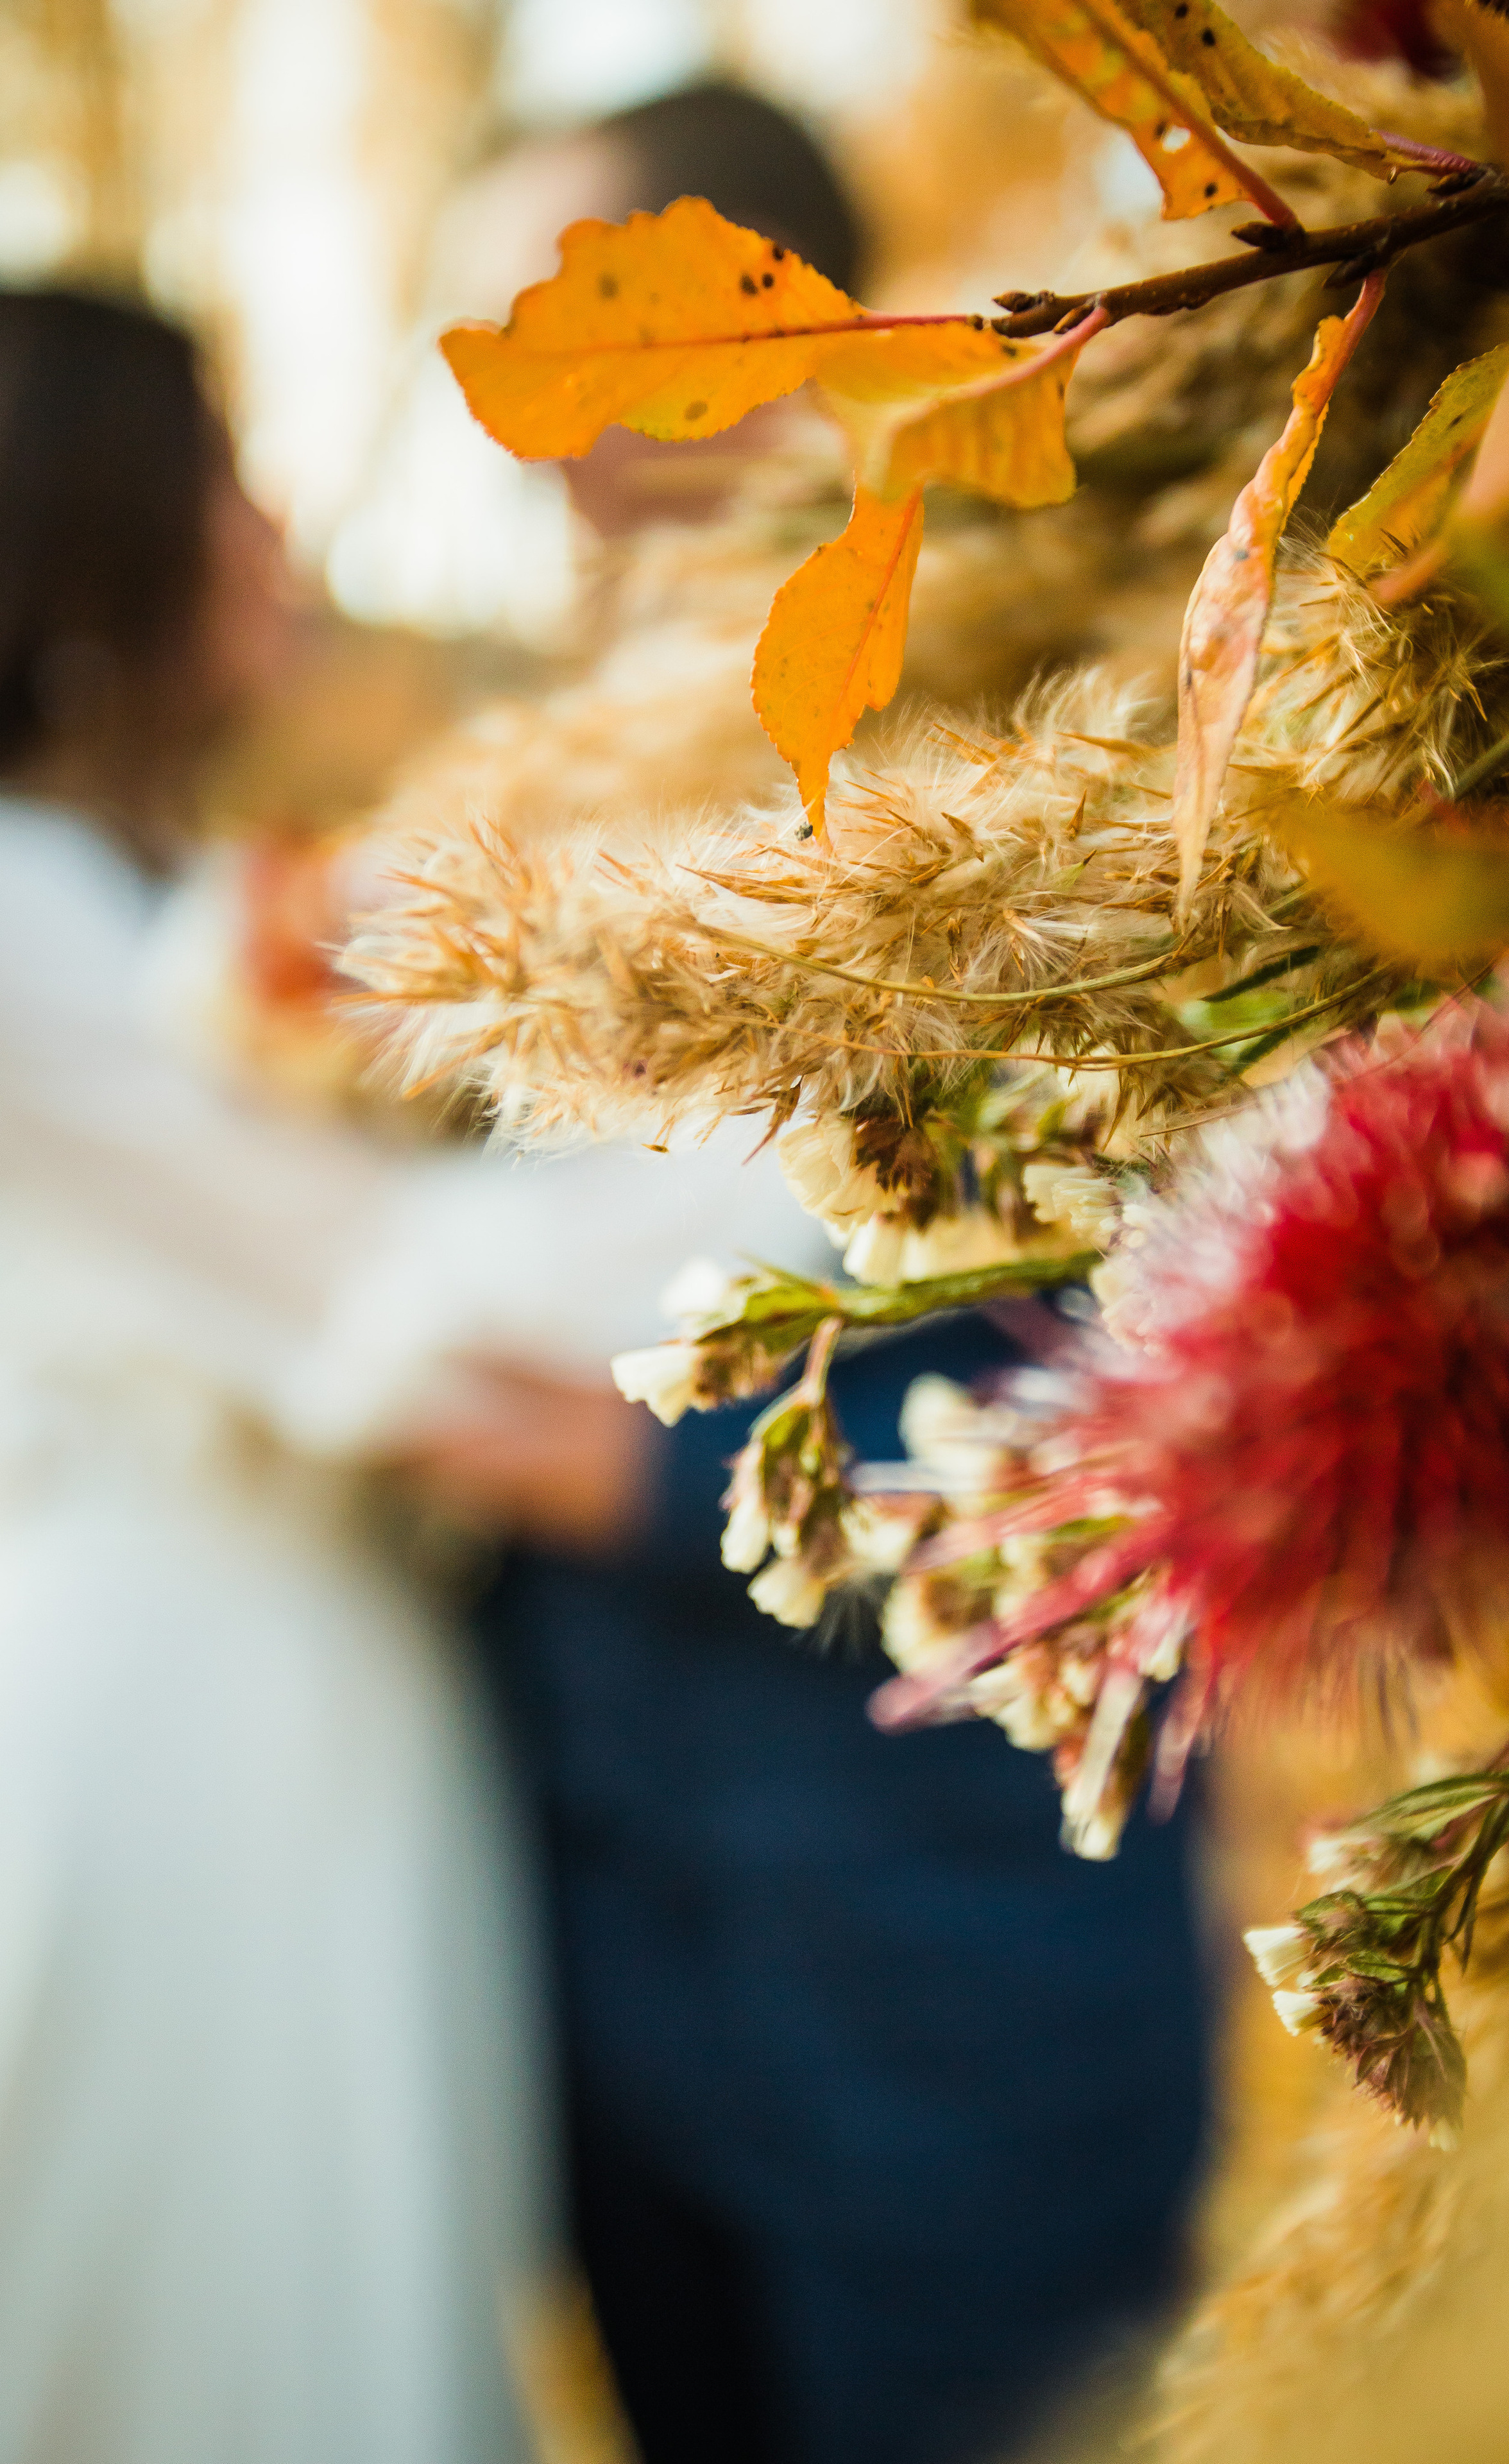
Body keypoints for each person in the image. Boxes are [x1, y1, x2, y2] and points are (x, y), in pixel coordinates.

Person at [398, 86, 1215, 2464]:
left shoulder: (1056, 744)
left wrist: (635, 1477)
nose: (533, 422)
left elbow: (1148, 1365)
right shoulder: (520, 801)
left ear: (775, 322)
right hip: (612, 1965)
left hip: (951, 1985)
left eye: (582, 328)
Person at [0, 282, 755, 2464]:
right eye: (222, 473)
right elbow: (391, 1291)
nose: (268, 528)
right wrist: (804, 1137)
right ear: (95, 522)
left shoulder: (157, 893)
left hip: (324, 1701)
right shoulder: (20, 929)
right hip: (169, 1750)